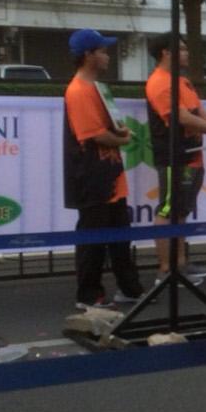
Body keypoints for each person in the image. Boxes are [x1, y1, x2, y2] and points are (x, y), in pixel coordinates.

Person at [143, 33, 206, 285]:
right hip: (174, 157)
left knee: (180, 211)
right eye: (181, 49)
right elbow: (183, 117)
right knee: (168, 210)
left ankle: (180, 264)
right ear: (166, 53)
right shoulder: (159, 83)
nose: (187, 53)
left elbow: (199, 111)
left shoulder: (183, 82)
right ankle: (166, 270)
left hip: (192, 156)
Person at [62, 29, 144, 310]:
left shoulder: (98, 88)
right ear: (88, 55)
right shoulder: (78, 91)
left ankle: (129, 288)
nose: (107, 56)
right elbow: (94, 135)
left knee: (120, 235)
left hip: (110, 174)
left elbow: (110, 126)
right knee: (93, 239)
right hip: (92, 177)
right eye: (102, 51)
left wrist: (121, 132)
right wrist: (123, 137)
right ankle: (88, 295)